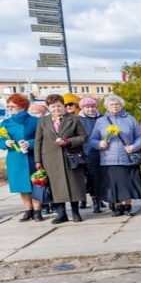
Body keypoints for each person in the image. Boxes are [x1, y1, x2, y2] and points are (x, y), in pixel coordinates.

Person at [89, 94, 141, 217]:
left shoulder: (130, 119)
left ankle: (128, 205)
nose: (115, 106)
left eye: (117, 104)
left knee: (128, 184)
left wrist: (134, 146)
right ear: (106, 107)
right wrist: (100, 143)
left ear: (121, 106)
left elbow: (140, 136)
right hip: (108, 159)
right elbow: (92, 139)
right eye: (112, 104)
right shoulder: (101, 121)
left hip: (127, 158)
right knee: (113, 185)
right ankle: (117, 206)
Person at [34, 94, 88, 224]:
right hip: (50, 159)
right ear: (49, 107)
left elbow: (83, 137)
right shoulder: (43, 121)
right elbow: (38, 141)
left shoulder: (74, 119)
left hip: (71, 157)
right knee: (55, 186)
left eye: (58, 105)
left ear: (63, 105)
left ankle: (75, 212)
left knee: (74, 184)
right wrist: (38, 160)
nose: (56, 108)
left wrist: (68, 141)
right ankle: (61, 213)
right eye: (53, 106)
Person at [2, 94, 43, 221]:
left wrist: (30, 143)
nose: (10, 109)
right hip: (16, 158)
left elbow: (41, 138)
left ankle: (37, 211)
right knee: (21, 185)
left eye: (12, 106)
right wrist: (5, 143)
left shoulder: (35, 121)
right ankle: (28, 210)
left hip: (32, 156)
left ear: (23, 106)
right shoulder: (6, 122)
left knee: (37, 183)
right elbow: (0, 138)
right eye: (8, 106)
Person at [78, 97, 105, 213]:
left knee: (104, 177)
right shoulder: (78, 120)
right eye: (87, 107)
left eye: (92, 106)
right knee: (92, 179)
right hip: (88, 153)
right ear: (82, 108)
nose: (90, 109)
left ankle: (105, 198)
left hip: (104, 152)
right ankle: (96, 202)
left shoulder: (103, 118)